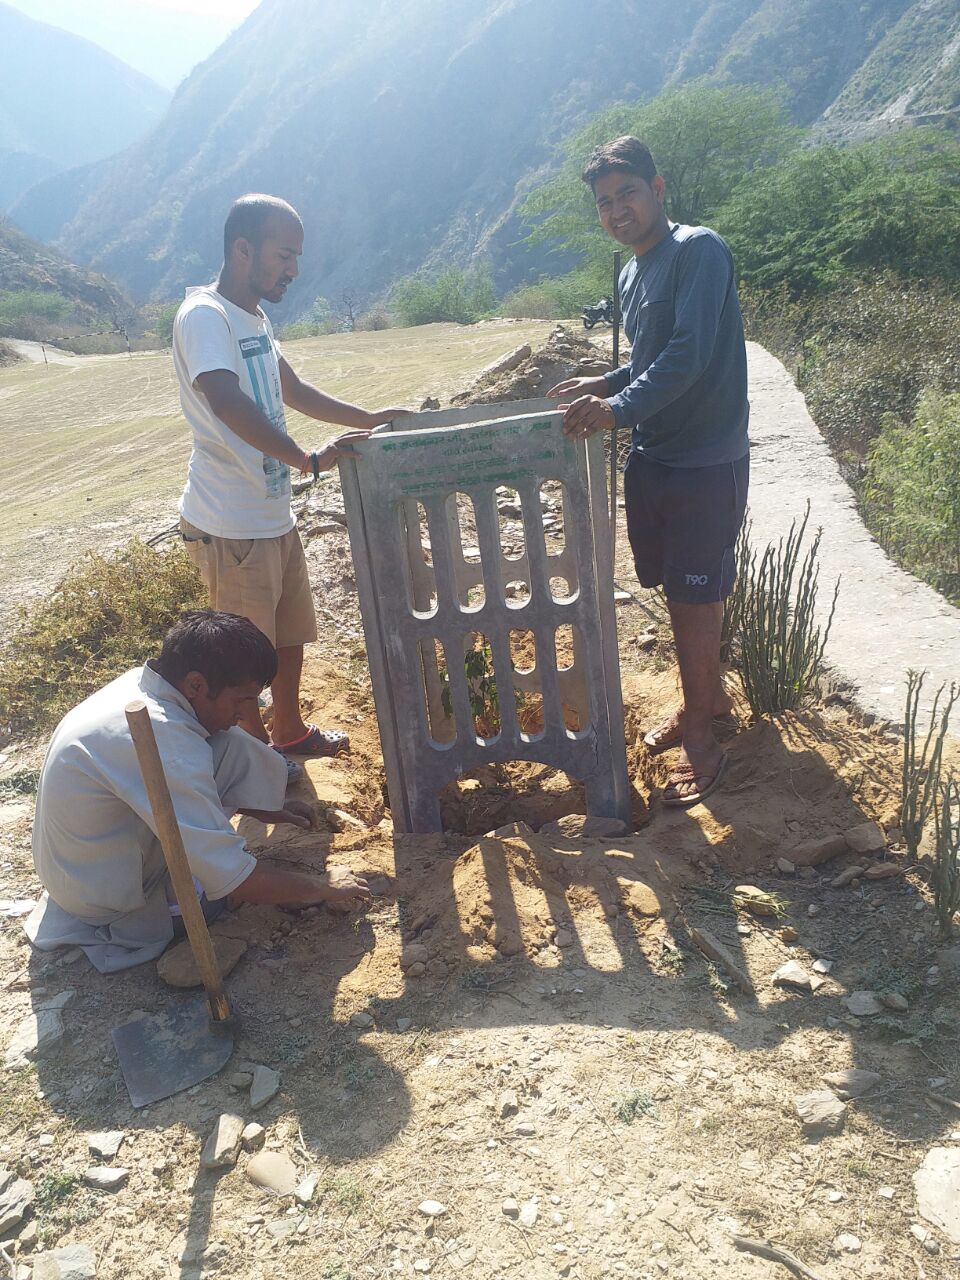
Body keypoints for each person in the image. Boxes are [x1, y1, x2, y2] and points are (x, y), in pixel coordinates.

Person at [173, 193, 408, 767]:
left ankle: (289, 732)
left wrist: (370, 418)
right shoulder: (205, 316)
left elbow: (292, 391)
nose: (293, 270)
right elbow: (225, 400)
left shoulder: (252, 315)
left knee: (289, 636)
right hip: (231, 523)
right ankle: (253, 762)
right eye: (284, 255)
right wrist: (308, 460)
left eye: (296, 256)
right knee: (243, 656)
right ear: (242, 249)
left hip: (270, 512)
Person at [548, 136, 749, 807]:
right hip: (656, 456)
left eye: (627, 193)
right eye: (605, 202)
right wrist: (603, 380)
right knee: (676, 587)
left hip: (703, 458)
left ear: (658, 189)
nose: (617, 210)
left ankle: (701, 735)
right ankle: (708, 698)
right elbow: (648, 357)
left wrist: (614, 408)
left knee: (697, 591)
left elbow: (689, 354)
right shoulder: (633, 271)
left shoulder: (699, 251)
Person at [25, 611, 371, 973]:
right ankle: (163, 908)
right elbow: (234, 880)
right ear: (195, 685)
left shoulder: (148, 687)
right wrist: (321, 886)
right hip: (102, 896)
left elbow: (223, 747)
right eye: (240, 700)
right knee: (210, 900)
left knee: (227, 740)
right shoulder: (162, 741)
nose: (245, 713)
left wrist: (268, 807)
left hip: (83, 861)